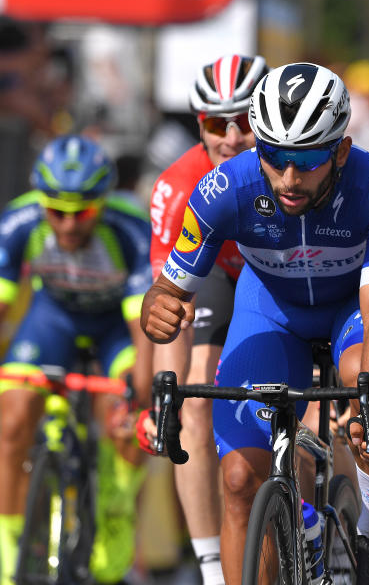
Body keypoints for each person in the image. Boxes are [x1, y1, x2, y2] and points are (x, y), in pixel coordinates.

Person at [140, 62, 369, 585]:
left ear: (340, 149)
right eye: (275, 157)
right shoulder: (223, 188)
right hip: (269, 312)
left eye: (307, 159)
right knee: (241, 478)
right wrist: (157, 308)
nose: (289, 179)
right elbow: (170, 287)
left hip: (352, 310)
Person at [0, 135, 153, 585]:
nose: (68, 225)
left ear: (103, 202)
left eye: (82, 212)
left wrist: (139, 399)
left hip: (114, 329)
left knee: (127, 415)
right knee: (13, 420)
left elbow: (142, 332)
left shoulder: (129, 229)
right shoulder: (20, 219)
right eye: (57, 211)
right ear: (41, 201)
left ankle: (114, 507)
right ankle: (13, 559)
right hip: (53, 322)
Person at [137, 53, 268, 584]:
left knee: (317, 404)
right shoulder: (176, 188)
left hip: (276, 275)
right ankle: (212, 567)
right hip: (211, 276)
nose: (232, 138)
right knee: (191, 402)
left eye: (245, 122)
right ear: (199, 125)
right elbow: (172, 307)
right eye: (218, 124)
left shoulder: (291, 169)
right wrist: (164, 393)